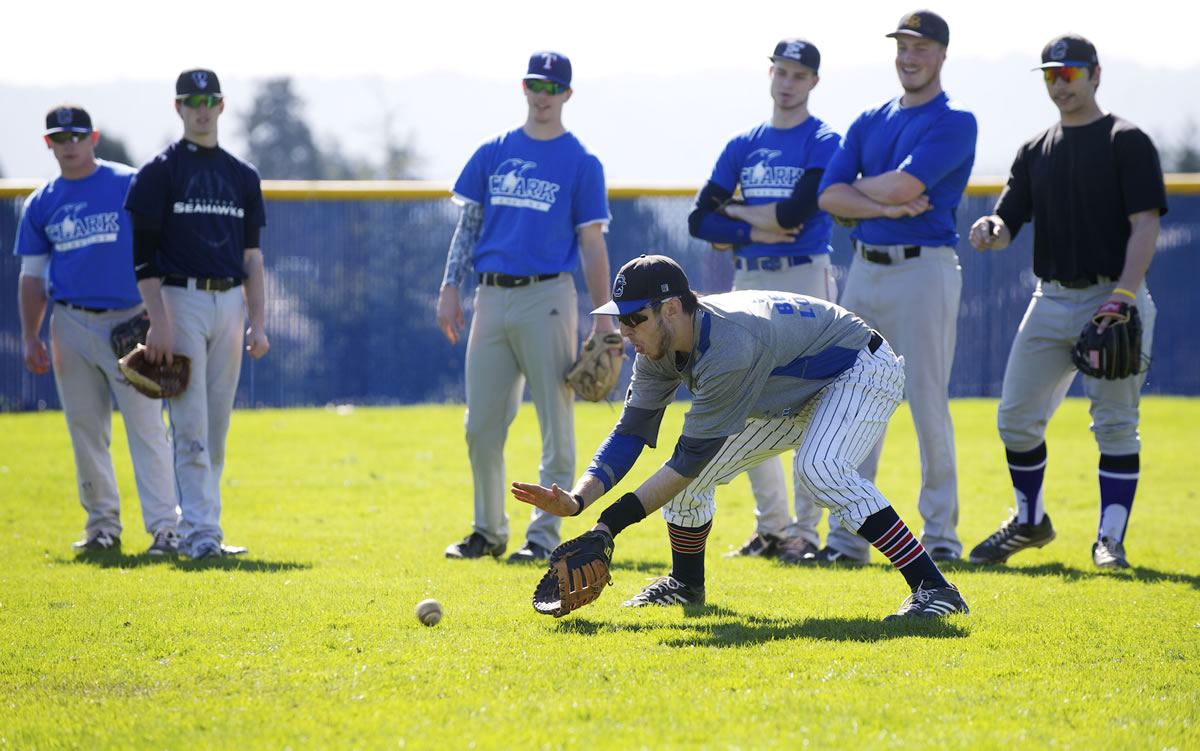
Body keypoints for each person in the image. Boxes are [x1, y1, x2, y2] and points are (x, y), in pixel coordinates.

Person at [511, 254, 970, 619]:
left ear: (671, 308)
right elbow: (631, 431)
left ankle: (934, 587)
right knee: (691, 481)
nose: (625, 330)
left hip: (859, 369)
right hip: (789, 388)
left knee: (819, 469)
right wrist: (578, 501)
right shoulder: (657, 344)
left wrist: (608, 527)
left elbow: (688, 459)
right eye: (622, 319)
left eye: (634, 319)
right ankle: (685, 585)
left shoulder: (728, 345)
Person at [966, 34, 1165, 570]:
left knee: (1115, 422)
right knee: (1015, 419)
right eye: (1051, 74)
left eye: (1070, 73)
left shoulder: (1127, 140)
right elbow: (1009, 220)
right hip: (1050, 298)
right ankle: (1030, 523)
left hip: (1113, 293)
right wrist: (992, 228)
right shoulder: (1036, 149)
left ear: (1096, 74)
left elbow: (1145, 224)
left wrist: (1123, 295)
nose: (1060, 83)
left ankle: (1110, 540)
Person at [436, 51, 616, 564]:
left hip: (548, 297)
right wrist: (450, 286)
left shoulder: (581, 161)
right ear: (524, 87)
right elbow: (468, 227)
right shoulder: (494, 152)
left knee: (555, 421)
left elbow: (593, 243)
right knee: (480, 425)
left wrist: (604, 315)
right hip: (490, 295)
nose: (543, 95)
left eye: (553, 87)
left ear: (567, 95)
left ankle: (543, 535)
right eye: (536, 84)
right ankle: (487, 531)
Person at [815, 9, 976, 564]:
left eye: (921, 48)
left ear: (942, 55)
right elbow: (827, 197)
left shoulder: (955, 120)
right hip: (865, 267)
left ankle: (941, 539)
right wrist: (879, 198)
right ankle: (848, 540)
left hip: (923, 268)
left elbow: (903, 184)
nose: (910, 57)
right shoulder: (869, 119)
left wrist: (859, 190)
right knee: (852, 402)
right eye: (903, 46)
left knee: (927, 401)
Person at [686, 38, 842, 564]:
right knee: (747, 398)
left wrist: (738, 212)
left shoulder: (823, 139)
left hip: (805, 275)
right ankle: (771, 528)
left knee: (813, 401)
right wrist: (761, 223)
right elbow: (697, 220)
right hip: (750, 276)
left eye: (799, 74)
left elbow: (796, 214)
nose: (788, 81)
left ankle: (806, 532)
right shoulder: (743, 144)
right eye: (781, 70)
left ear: (814, 81)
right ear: (769, 72)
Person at [14, 105, 178, 555]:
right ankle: (102, 527)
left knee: (147, 428)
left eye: (76, 136)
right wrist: (31, 334)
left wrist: (160, 317)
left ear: (93, 137)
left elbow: (160, 249)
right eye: (59, 138)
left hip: (132, 318)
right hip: (70, 322)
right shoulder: (42, 201)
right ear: (49, 143)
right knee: (86, 428)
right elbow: (32, 275)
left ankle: (166, 528)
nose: (69, 145)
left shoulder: (127, 183)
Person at [124, 69, 269, 560]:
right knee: (189, 423)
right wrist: (158, 319)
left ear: (222, 106)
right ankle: (202, 536)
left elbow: (252, 258)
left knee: (217, 425)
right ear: (178, 108)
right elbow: (143, 257)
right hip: (179, 299)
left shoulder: (242, 175)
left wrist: (259, 321)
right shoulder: (159, 172)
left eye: (209, 99)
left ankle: (200, 526)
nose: (201, 108)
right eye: (192, 100)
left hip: (229, 301)